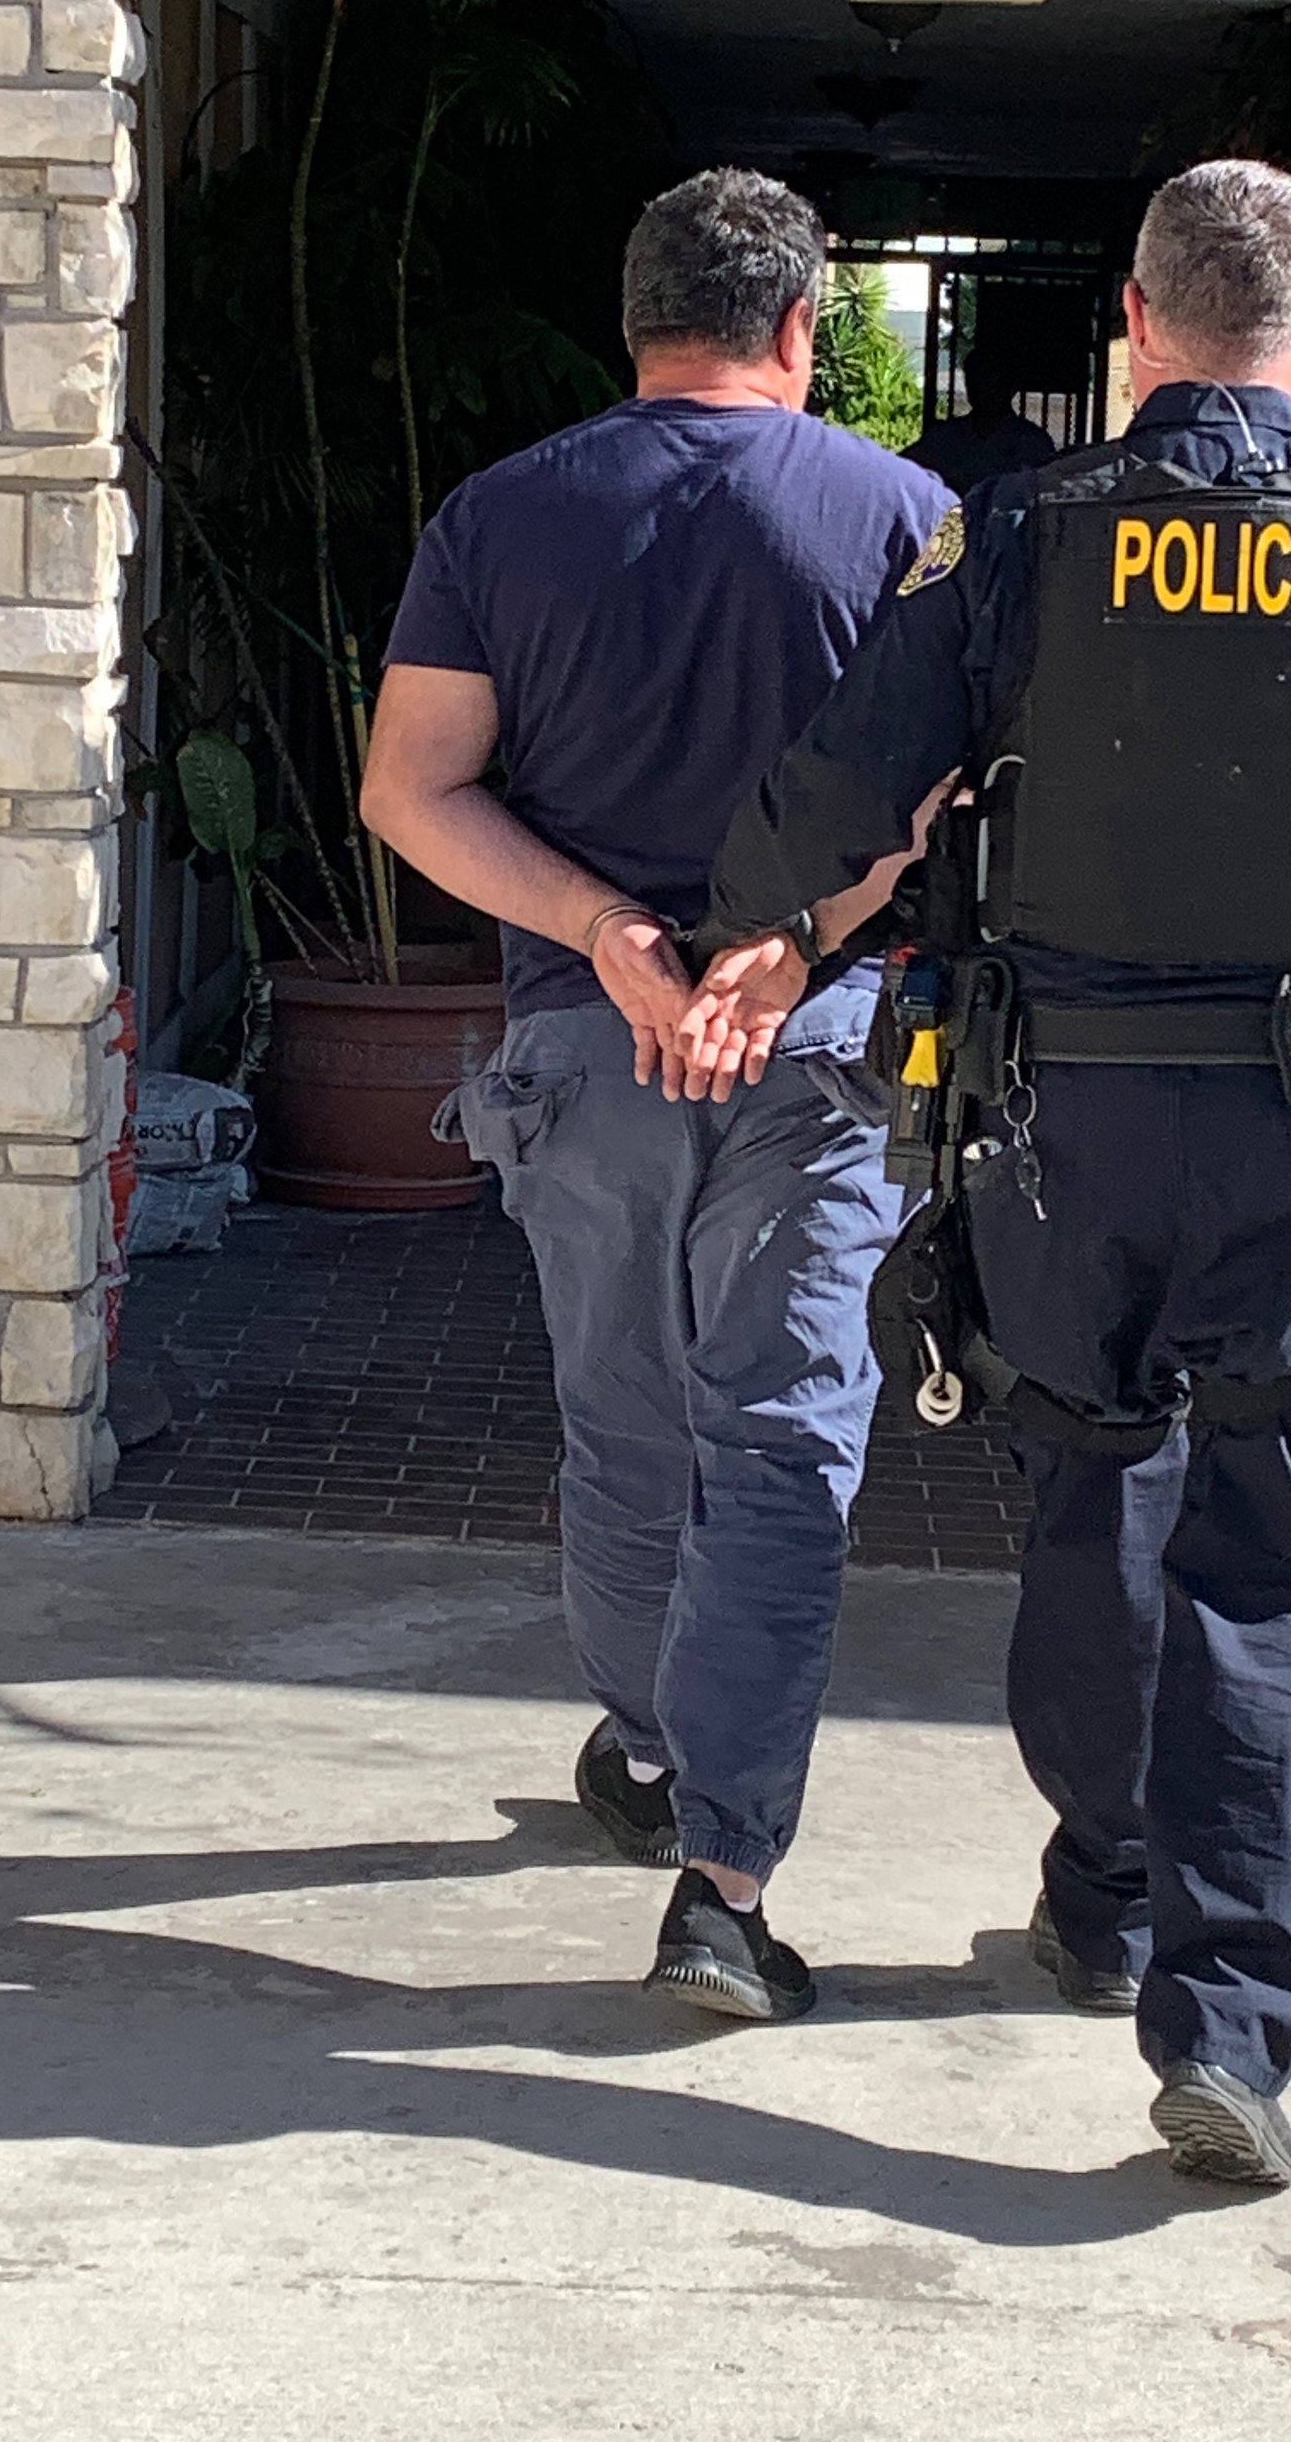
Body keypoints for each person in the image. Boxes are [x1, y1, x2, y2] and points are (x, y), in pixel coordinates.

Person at [680, 158, 1291, 2185]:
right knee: (1275, 1562)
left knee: (1092, 1495)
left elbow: (846, 782)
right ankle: (1233, 2032)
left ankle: (1102, 1883)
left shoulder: (1014, 538)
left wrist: (731, 929)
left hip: (1059, 1130)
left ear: (1133, 318)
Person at [360, 167, 952, 2025]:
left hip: (577, 1051)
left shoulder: (502, 513)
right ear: (800, 331)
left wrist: (610, 932)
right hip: (817, 1047)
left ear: (636, 323)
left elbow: (413, 786)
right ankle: (724, 1875)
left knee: (626, 1424)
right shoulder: (907, 519)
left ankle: (645, 1737)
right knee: (779, 1444)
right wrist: (777, 946)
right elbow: (935, 798)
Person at [907, 335, 1057, 495]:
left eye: (990, 381)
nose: (981, 389)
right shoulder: (943, 437)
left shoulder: (1032, 443)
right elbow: (904, 469)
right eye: (974, 381)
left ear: (1011, 387)